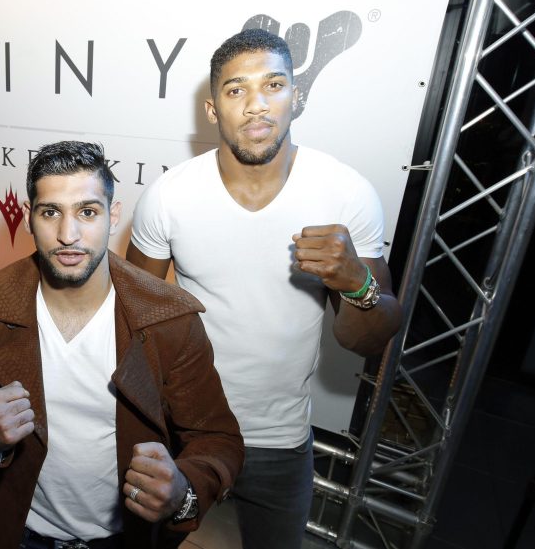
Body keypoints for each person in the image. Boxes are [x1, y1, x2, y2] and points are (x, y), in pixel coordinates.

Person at [126, 29, 403, 549]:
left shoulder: (344, 193)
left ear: (296, 97)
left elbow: (368, 339)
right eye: (236, 90)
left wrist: (356, 283)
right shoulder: (170, 196)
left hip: (279, 439)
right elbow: (133, 320)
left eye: (273, 84)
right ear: (213, 110)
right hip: (183, 426)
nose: (256, 105)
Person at [0, 141, 244, 549]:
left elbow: (218, 441)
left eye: (87, 212)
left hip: (127, 539)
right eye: (51, 212)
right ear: (29, 219)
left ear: (113, 216)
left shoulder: (170, 320)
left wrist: (182, 491)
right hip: (24, 537)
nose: (69, 235)